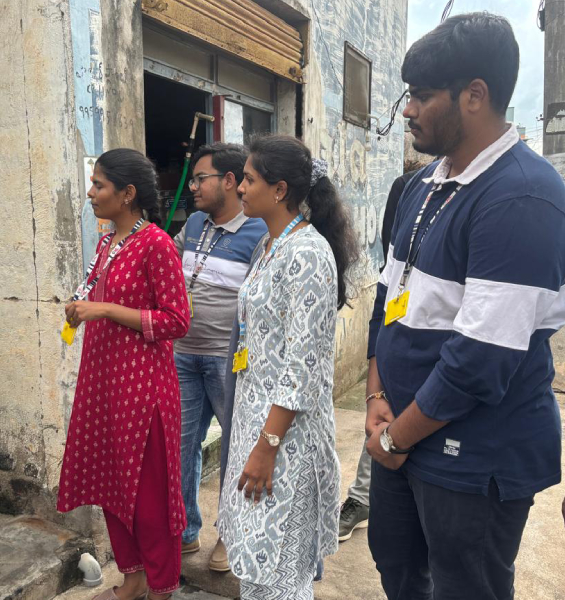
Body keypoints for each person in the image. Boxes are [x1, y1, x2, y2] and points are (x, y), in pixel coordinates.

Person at [365, 13, 565, 600]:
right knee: (397, 567)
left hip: (472, 455)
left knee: (466, 586)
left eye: (422, 95)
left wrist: (395, 440)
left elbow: (480, 359)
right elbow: (387, 299)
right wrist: (376, 398)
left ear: (474, 95)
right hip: (399, 430)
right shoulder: (424, 183)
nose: (408, 110)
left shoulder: (521, 196)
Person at [218, 135, 358, 599]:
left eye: (249, 180)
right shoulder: (270, 245)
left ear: (280, 190)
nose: (240, 188)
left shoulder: (307, 254)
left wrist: (267, 447)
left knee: (279, 573)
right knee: (256, 571)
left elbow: (303, 368)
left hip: (286, 442)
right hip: (256, 425)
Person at [57, 148, 191, 600]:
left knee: (150, 498)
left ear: (127, 193)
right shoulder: (106, 243)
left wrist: (106, 309)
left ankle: (161, 587)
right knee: (111, 486)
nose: (90, 193)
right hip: (104, 385)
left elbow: (177, 320)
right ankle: (132, 578)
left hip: (143, 390)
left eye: (99, 185)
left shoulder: (157, 243)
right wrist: (82, 309)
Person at [172, 143, 267, 570]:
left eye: (200, 178)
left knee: (236, 449)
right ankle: (185, 531)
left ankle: (230, 534)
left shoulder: (259, 231)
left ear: (229, 181)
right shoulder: (194, 223)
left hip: (229, 363)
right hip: (183, 355)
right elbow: (170, 263)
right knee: (181, 446)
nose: (192, 187)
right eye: (192, 179)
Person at [338, 169, 419, 542]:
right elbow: (390, 276)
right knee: (382, 420)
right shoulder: (407, 188)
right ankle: (361, 499)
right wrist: (374, 389)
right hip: (399, 341)